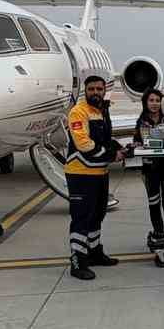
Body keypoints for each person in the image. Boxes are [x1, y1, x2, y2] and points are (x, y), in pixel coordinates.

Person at [65, 74, 125, 280]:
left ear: (104, 90)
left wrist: (120, 148)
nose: (96, 93)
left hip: (100, 173)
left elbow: (105, 139)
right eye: (91, 89)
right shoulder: (78, 112)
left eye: (99, 89)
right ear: (85, 91)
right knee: (81, 218)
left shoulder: (101, 111)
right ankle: (78, 262)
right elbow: (84, 144)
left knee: (97, 216)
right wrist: (111, 154)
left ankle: (94, 253)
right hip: (81, 174)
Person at [132, 87, 164, 255]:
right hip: (150, 170)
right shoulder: (141, 121)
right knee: (154, 203)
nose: (154, 104)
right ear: (145, 102)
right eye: (151, 100)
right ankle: (159, 234)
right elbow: (137, 140)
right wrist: (137, 145)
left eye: (157, 100)